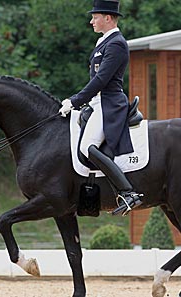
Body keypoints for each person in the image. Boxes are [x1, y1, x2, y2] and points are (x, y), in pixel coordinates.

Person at [58, 0, 142, 215]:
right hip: (97, 102)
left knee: (87, 147)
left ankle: (128, 192)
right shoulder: (104, 41)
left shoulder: (116, 43)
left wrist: (75, 100)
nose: (91, 21)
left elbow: (102, 79)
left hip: (109, 103)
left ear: (108, 18)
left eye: (95, 17)